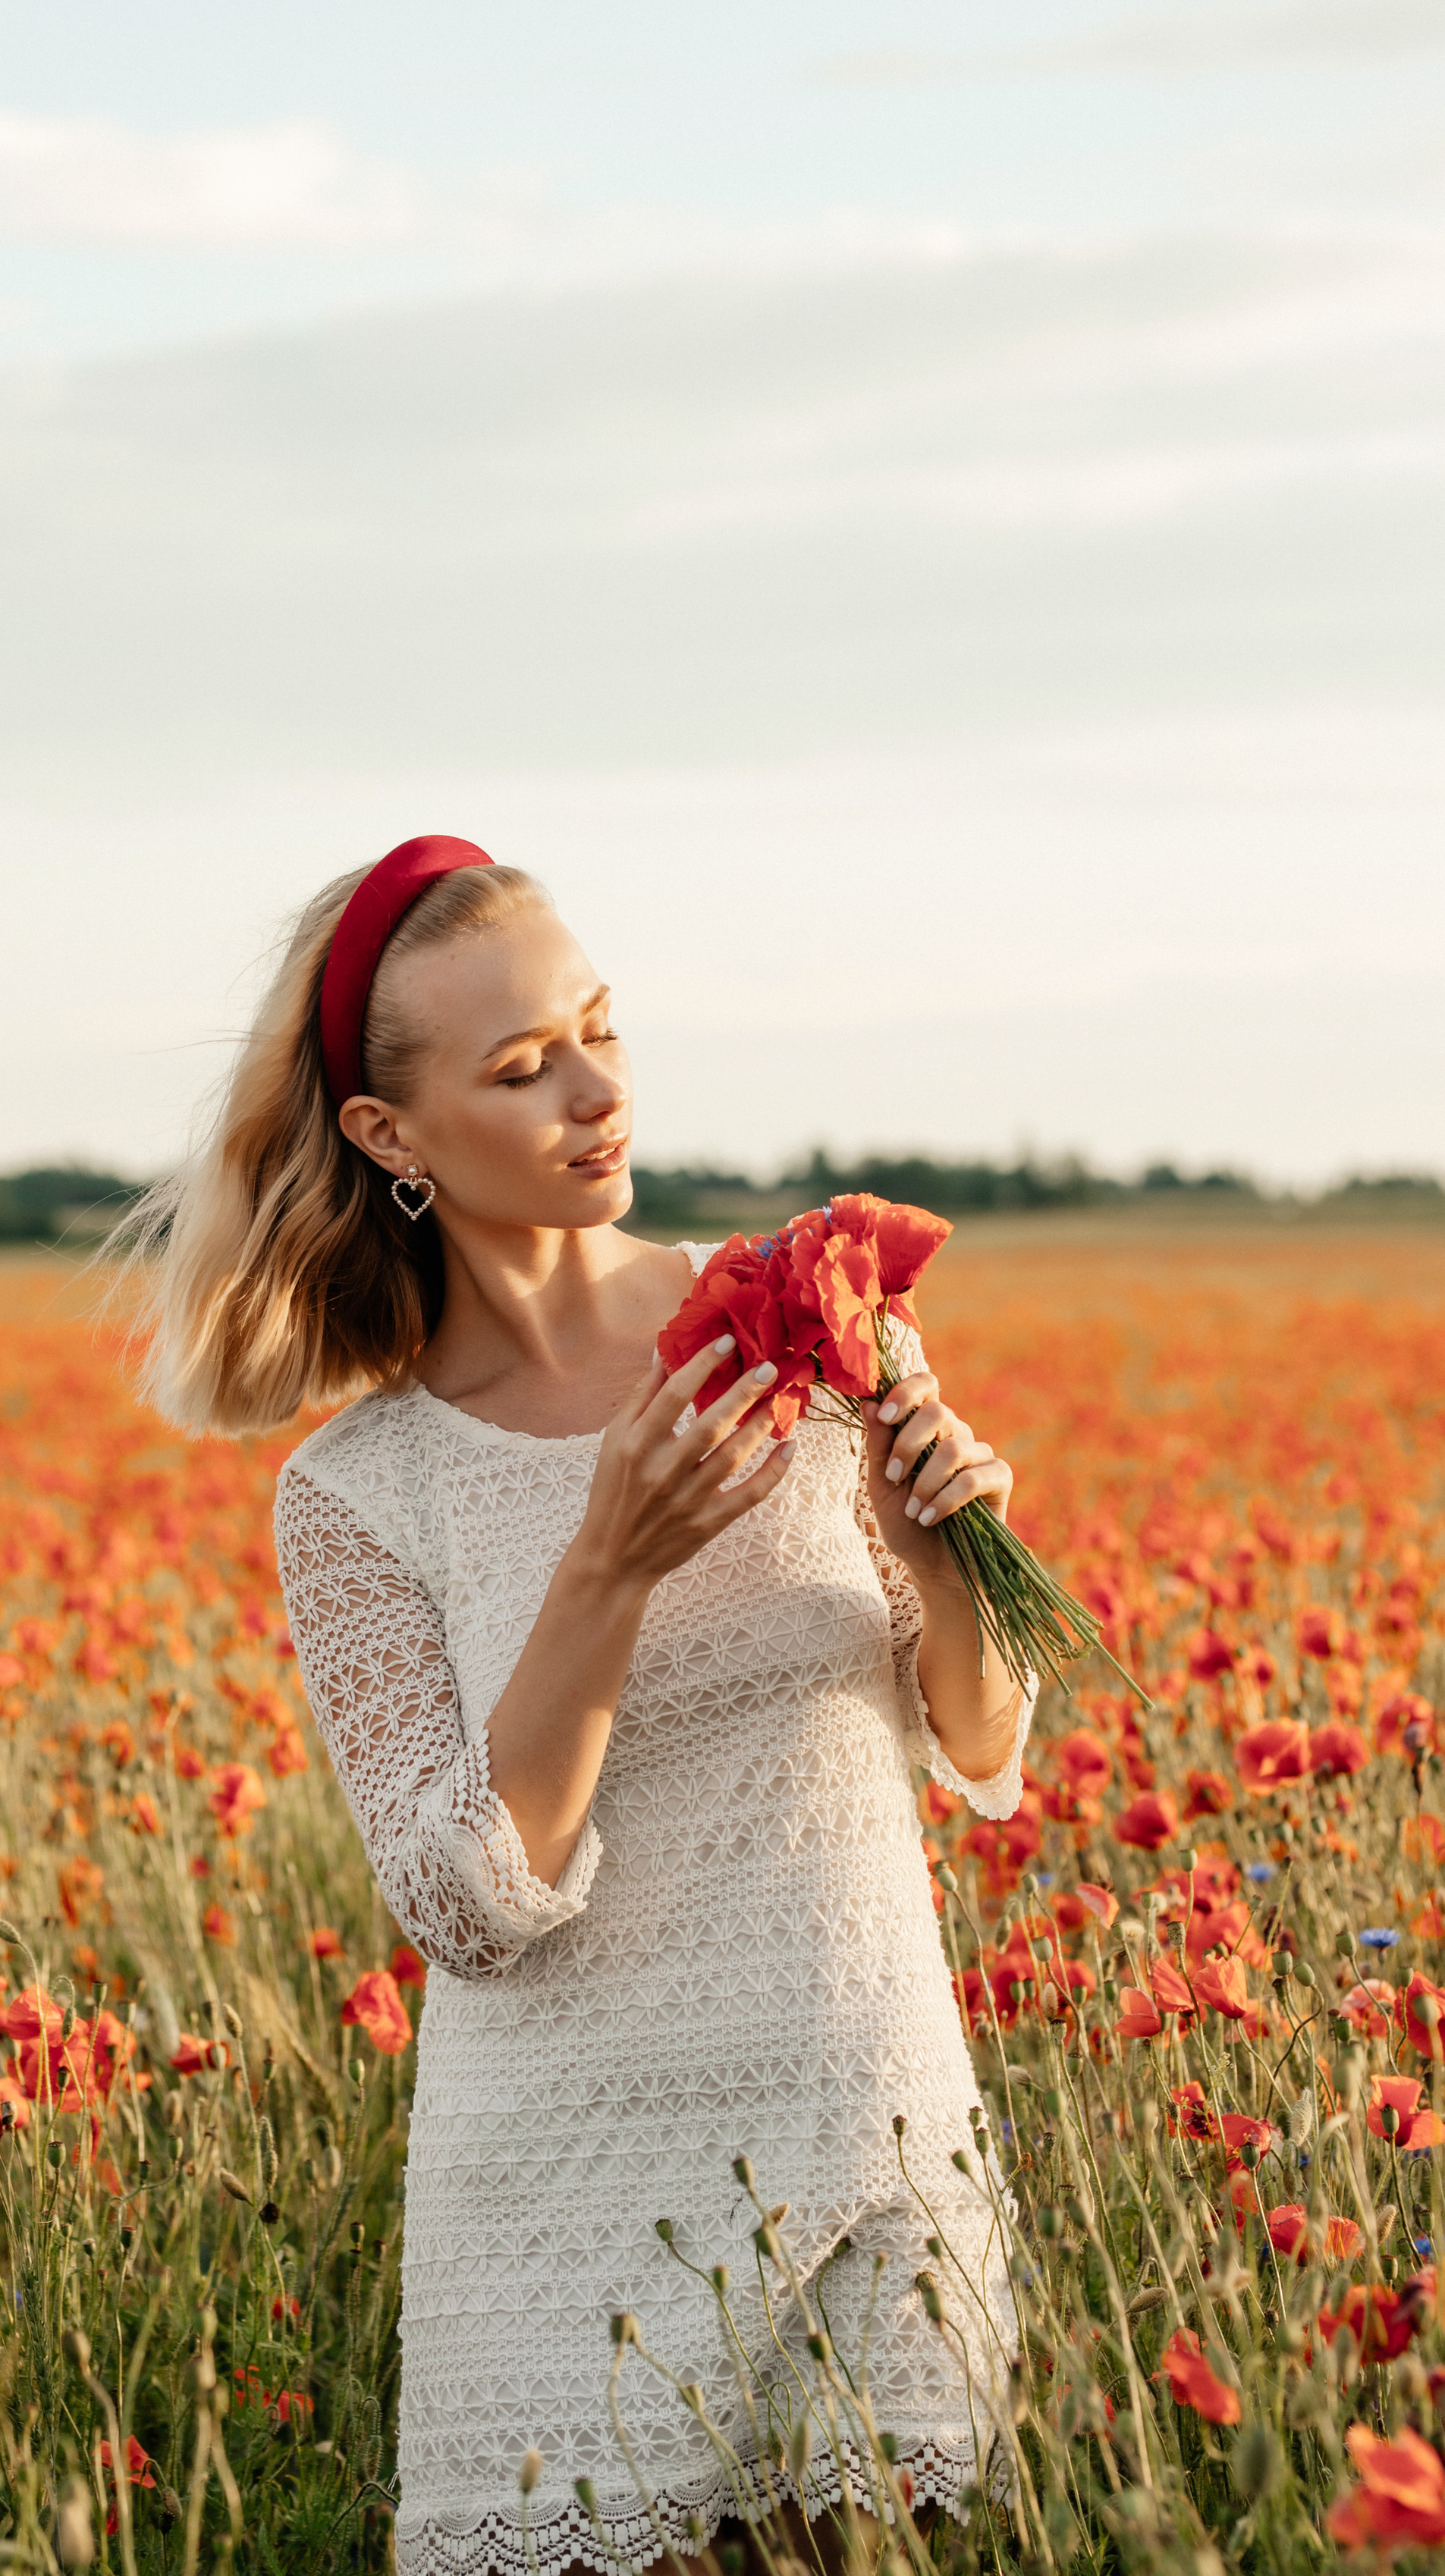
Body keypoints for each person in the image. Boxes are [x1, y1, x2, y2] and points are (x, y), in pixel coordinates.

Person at [130, 836, 1032, 2576]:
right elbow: (465, 1909)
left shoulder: (809, 1324)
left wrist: (944, 1555)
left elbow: (982, 1744)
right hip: (566, 2214)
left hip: (873, 2131)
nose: (595, 1091)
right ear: (391, 1137)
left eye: (597, 1027)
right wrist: (604, 1572)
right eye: (521, 1065)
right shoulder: (362, 1492)